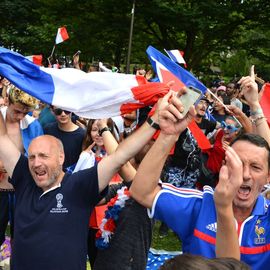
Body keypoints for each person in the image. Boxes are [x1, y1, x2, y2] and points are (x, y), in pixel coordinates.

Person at [0, 90, 185, 270]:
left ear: (61, 157)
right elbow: (1, 137)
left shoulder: (79, 186)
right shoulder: (25, 177)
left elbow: (119, 157)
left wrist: (153, 122)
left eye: (43, 156)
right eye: (31, 157)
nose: (36, 163)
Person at [130, 98, 270, 270]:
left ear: (268, 177)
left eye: (256, 167)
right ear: (224, 166)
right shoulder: (201, 205)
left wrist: (255, 105)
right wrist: (168, 135)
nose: (245, 175)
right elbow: (142, 192)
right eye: (238, 164)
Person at [44, 106, 85, 171]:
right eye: (58, 111)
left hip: (71, 177)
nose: (63, 114)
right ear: (52, 111)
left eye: (67, 110)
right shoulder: (48, 129)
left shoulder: (82, 135)